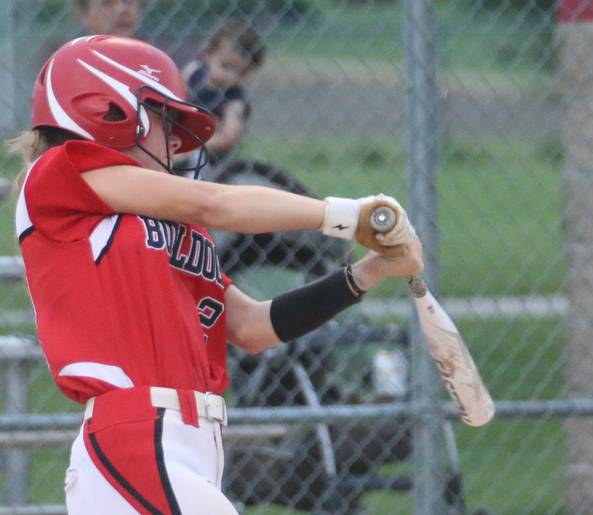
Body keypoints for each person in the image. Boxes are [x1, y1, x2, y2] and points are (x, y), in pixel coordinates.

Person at [11, 35, 419, 515]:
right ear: (107, 107)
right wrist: (347, 215)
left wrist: (367, 273)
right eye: (163, 119)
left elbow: (251, 326)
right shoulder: (58, 175)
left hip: (195, 445)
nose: (175, 140)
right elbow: (218, 202)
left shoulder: (163, 228)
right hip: (136, 439)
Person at [181, 19, 265, 168]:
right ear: (207, 55)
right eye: (226, 66)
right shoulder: (193, 72)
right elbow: (175, 96)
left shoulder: (235, 100)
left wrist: (193, 146)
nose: (232, 76)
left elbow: (227, 138)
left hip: (209, 158)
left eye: (242, 72)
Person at [75, 0, 142, 37]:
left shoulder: (149, 56)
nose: (121, 9)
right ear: (85, 14)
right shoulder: (71, 58)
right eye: (107, 3)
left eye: (127, 1)